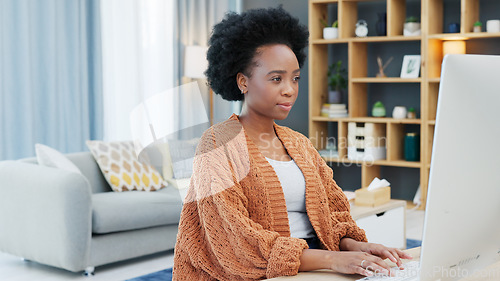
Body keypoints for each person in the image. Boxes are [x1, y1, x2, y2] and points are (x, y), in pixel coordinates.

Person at [173, 6, 411, 281]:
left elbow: (333, 214)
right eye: (276, 78)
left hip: (316, 266)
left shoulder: (300, 144)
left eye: (295, 78)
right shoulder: (217, 144)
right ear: (243, 82)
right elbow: (236, 242)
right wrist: (333, 260)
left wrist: (357, 247)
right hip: (265, 274)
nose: (289, 89)